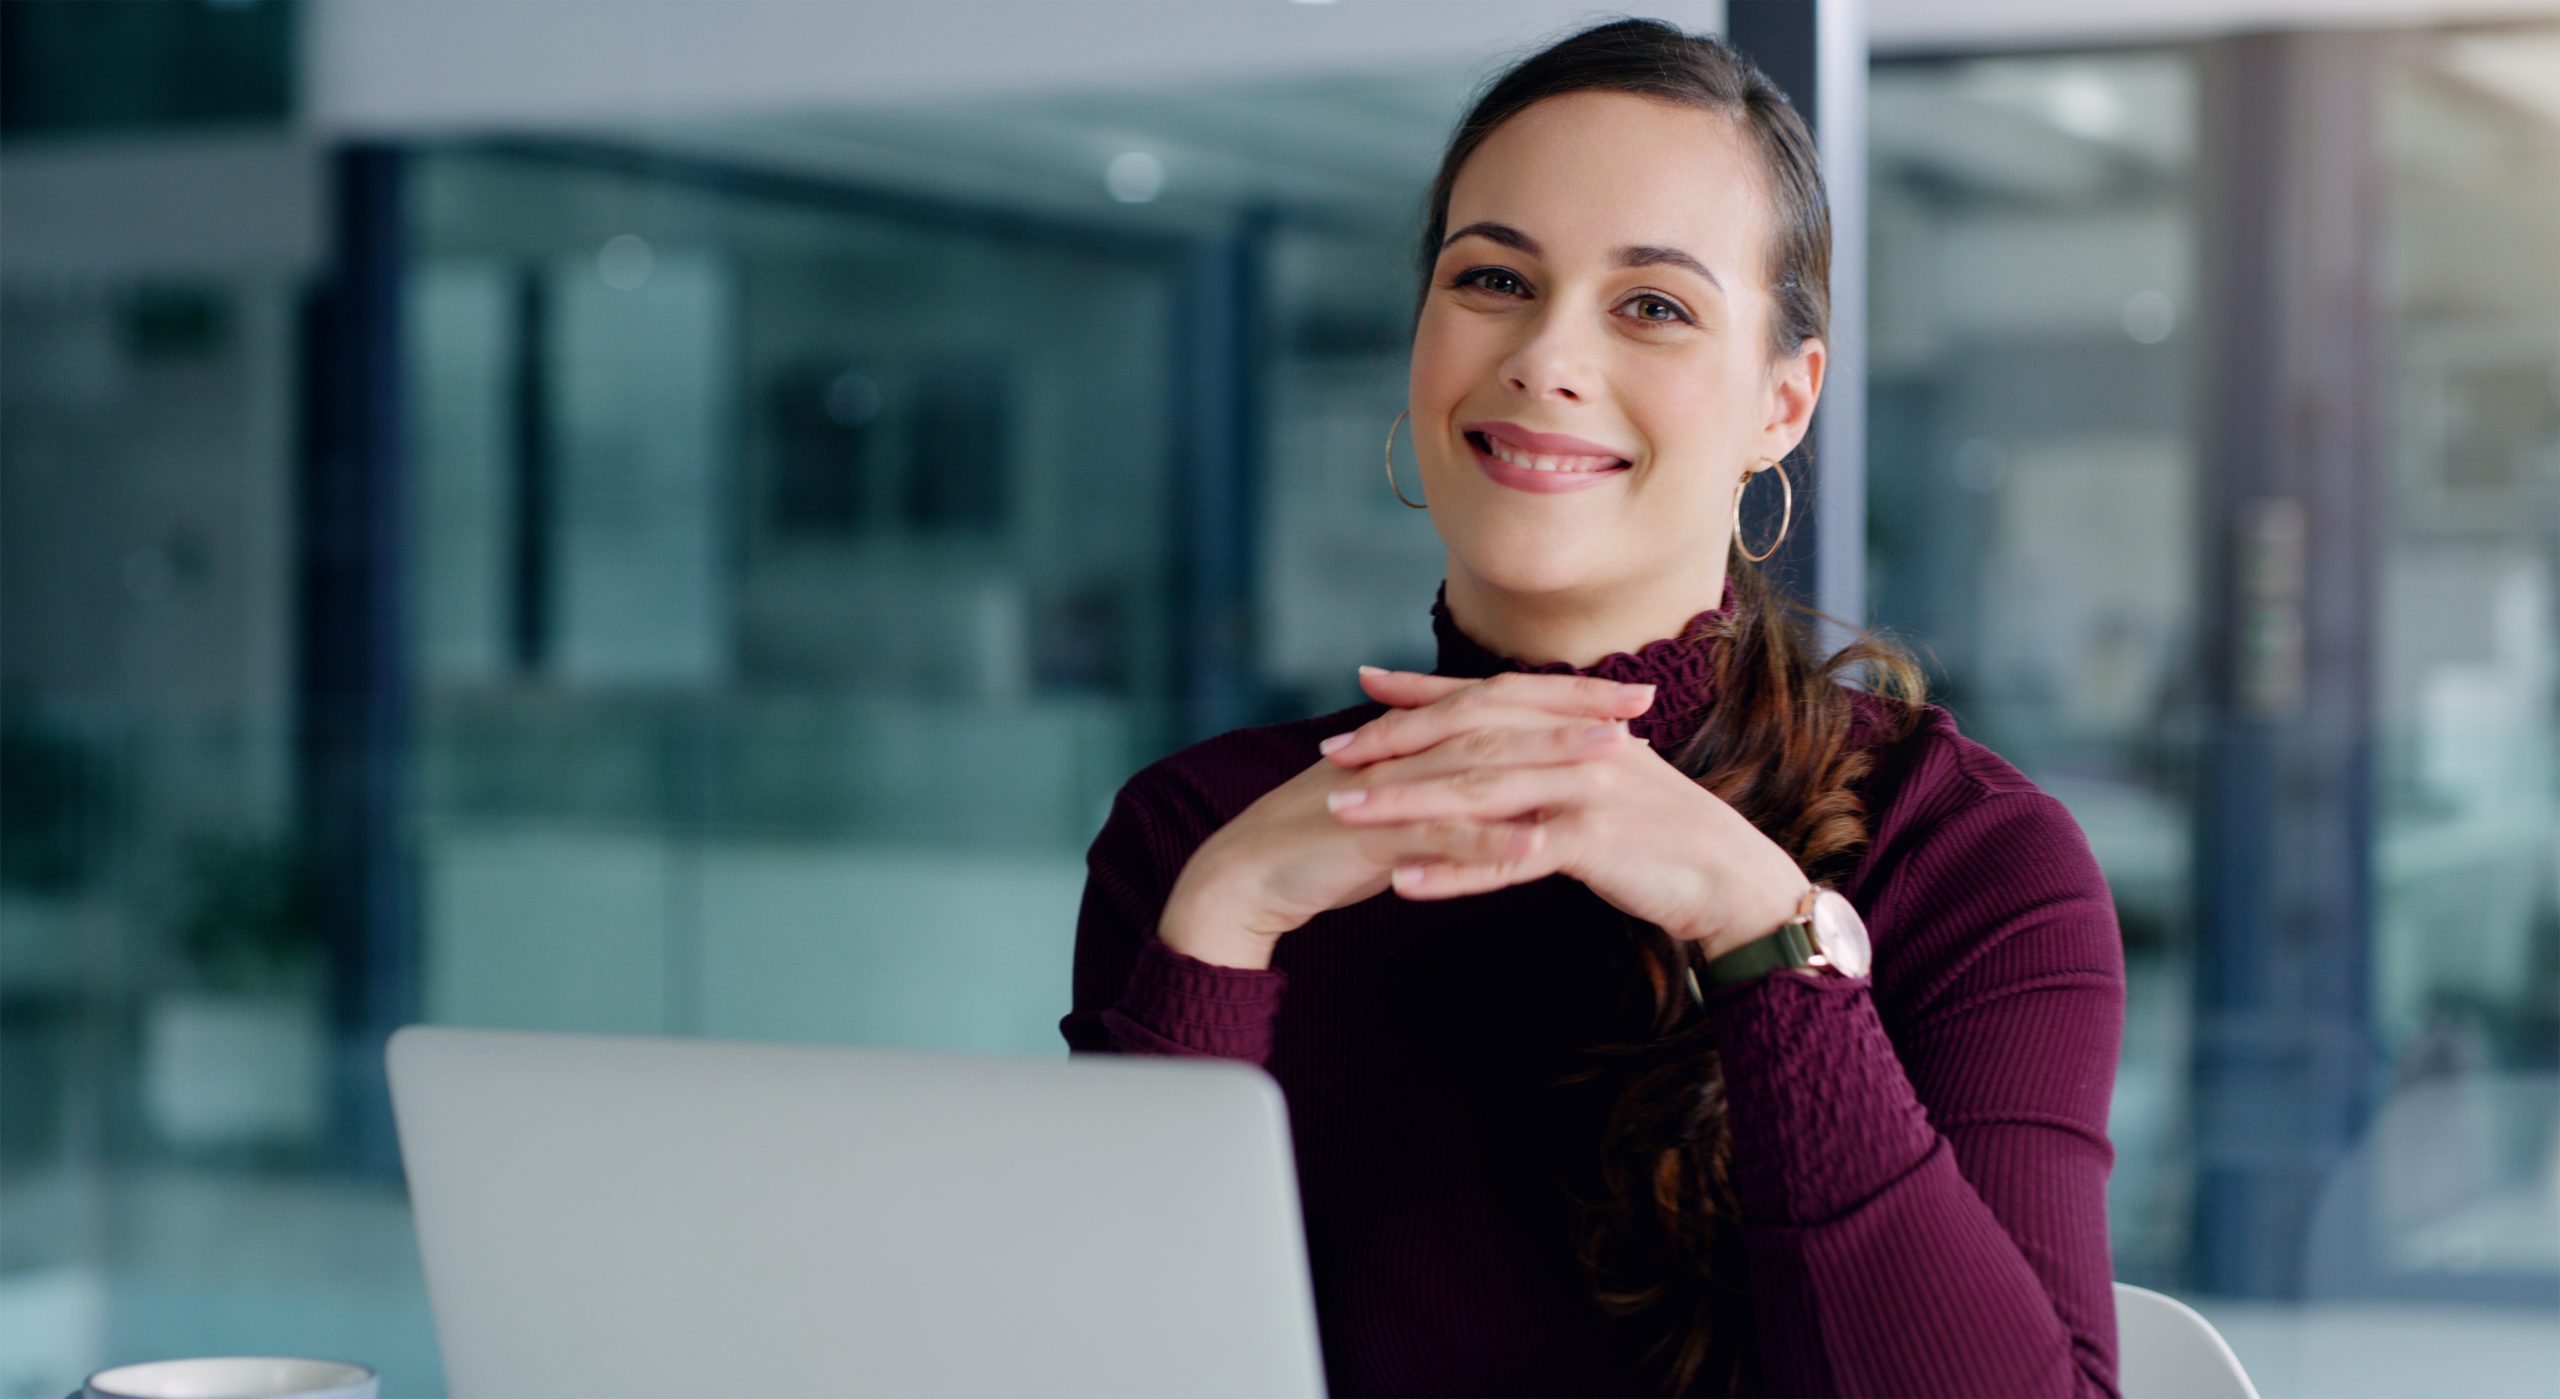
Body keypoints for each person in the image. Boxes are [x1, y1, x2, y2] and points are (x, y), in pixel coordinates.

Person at [1060, 17, 2124, 1398]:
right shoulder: (1208, 834)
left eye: (1654, 305)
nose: (1546, 357)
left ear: (1782, 405)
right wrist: (1219, 931)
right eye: (1494, 278)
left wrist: (1762, 937)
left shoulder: (1973, 860)